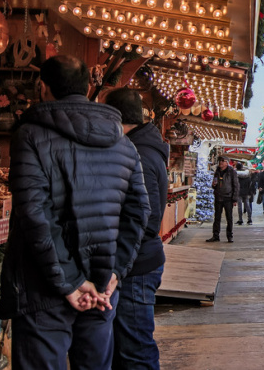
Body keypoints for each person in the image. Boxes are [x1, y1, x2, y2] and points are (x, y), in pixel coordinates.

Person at [0, 55, 150, 370]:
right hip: (102, 285)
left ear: (43, 88)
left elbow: (35, 214)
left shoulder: (30, 135)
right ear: (89, 87)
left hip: (43, 288)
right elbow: (138, 212)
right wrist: (115, 272)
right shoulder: (124, 144)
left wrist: (70, 282)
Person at [104, 87, 170, 369]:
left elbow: (147, 218)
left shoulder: (138, 153)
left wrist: (119, 264)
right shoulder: (144, 147)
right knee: (128, 347)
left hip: (136, 266)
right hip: (138, 260)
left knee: (135, 350)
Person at [207, 157, 239, 243]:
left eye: (222, 161)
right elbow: (214, 184)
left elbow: (236, 185)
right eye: (219, 161)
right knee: (217, 217)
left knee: (229, 218)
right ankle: (215, 235)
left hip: (228, 197)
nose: (220, 162)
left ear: (226, 163)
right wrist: (213, 185)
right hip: (218, 197)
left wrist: (234, 198)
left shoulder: (231, 172)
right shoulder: (217, 171)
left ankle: (230, 236)